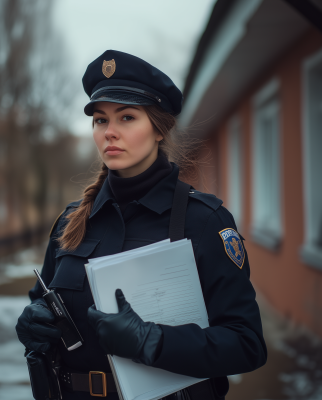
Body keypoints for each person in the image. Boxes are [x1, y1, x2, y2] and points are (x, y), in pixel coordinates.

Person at [16, 50, 267, 400]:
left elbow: (247, 343)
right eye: (100, 120)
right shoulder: (71, 222)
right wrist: (33, 321)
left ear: (159, 130)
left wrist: (153, 341)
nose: (110, 132)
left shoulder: (204, 221)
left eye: (127, 117)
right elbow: (43, 300)